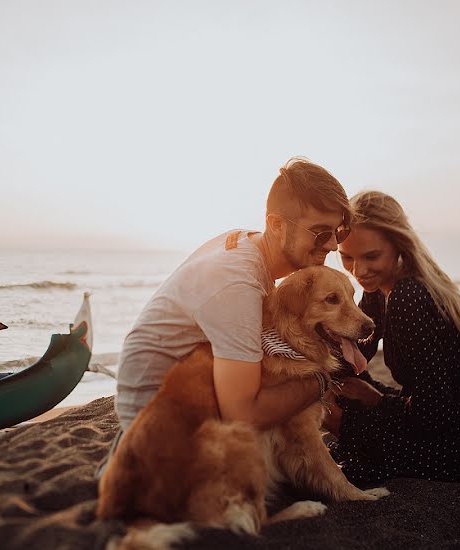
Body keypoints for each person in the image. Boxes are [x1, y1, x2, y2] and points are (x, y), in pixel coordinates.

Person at [108, 157, 352, 466]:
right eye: (320, 233)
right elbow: (243, 416)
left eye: (338, 232)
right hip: (158, 421)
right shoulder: (238, 283)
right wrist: (321, 381)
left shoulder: (246, 244)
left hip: (181, 395)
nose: (331, 245)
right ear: (276, 225)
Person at [325, 190, 460, 484]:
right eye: (347, 258)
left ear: (398, 246)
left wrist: (375, 401)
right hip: (437, 418)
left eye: (372, 256)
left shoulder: (409, 296)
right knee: (349, 388)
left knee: (343, 421)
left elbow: (433, 412)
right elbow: (352, 364)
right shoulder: (377, 290)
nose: (359, 271)